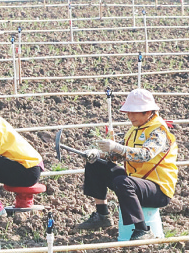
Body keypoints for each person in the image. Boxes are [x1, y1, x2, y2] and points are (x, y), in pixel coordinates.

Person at [71, 88, 177, 241]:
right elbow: (117, 154)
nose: (129, 116)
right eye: (128, 112)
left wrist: (117, 147)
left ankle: (143, 230)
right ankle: (102, 215)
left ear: (148, 112)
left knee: (123, 182)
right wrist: (98, 154)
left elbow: (145, 155)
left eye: (134, 112)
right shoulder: (136, 129)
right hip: (136, 182)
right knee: (96, 164)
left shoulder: (158, 131)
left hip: (158, 189)